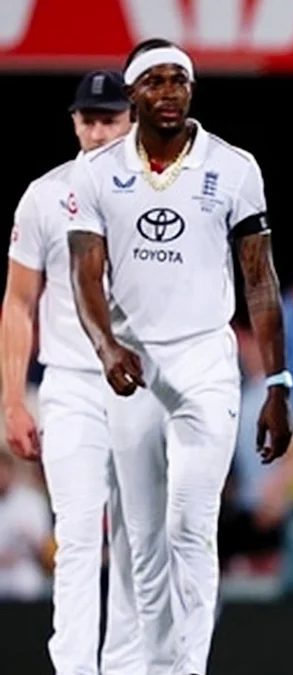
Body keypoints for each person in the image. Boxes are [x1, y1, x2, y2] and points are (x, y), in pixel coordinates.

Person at [65, 39, 293, 675]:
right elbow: (86, 274)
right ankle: (149, 661)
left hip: (204, 361)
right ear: (133, 93)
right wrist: (106, 345)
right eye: (155, 82)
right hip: (133, 366)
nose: (169, 92)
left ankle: (185, 667)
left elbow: (261, 280)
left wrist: (276, 382)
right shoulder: (96, 172)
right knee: (141, 536)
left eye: (180, 81)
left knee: (190, 525)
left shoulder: (234, 166)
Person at [2, 69, 145, 675]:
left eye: (109, 118)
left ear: (132, 120)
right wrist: (13, 399)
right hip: (71, 381)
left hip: (142, 383)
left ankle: (132, 665)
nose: (97, 131)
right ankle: (75, 668)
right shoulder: (43, 196)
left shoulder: (165, 196)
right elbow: (17, 301)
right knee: (81, 531)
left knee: (141, 536)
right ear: (74, 122)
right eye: (87, 119)